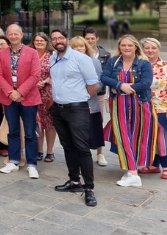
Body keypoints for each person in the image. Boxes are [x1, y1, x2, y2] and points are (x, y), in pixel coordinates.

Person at [49, 30, 99, 206]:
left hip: (77, 109)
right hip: (58, 109)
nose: (57, 41)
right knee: (68, 147)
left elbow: (93, 85)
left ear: (67, 40)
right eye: (54, 39)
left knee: (82, 148)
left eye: (60, 38)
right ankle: (74, 181)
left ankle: (89, 188)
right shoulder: (52, 58)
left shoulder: (81, 59)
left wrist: (79, 98)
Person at [100, 35, 154, 187]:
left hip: (140, 104)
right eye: (123, 45)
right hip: (118, 104)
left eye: (130, 45)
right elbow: (104, 77)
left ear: (136, 46)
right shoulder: (114, 61)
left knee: (136, 136)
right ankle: (133, 172)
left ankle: (133, 171)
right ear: (119, 47)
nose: (126, 48)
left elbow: (146, 83)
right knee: (123, 135)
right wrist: (119, 85)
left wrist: (128, 87)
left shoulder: (143, 63)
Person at [0, 24, 42, 179]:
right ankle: (13, 161)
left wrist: (20, 92)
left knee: (30, 133)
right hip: (9, 99)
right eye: (10, 34)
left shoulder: (32, 52)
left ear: (22, 35)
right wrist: (11, 92)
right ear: (7, 36)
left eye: (16, 34)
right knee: (13, 131)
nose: (13, 36)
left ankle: (32, 164)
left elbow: (35, 75)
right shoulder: (1, 54)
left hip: (28, 97)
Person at [138, 38, 167, 180]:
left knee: (161, 137)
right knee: (150, 137)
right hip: (142, 108)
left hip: (161, 108)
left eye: (153, 48)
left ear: (159, 49)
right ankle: (153, 164)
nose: (150, 51)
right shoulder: (137, 65)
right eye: (147, 48)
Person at [68, 37, 105, 170]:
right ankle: (80, 156)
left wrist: (89, 92)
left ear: (86, 47)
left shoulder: (94, 62)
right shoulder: (67, 62)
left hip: (90, 101)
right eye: (75, 47)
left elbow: (100, 81)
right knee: (77, 132)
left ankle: (99, 154)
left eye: (81, 46)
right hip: (73, 103)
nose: (78, 49)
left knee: (94, 130)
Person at [83, 27, 111, 166]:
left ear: (97, 39)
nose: (90, 41)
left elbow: (105, 75)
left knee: (97, 122)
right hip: (82, 95)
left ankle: (100, 153)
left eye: (92, 38)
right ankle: (84, 151)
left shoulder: (104, 54)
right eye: (87, 39)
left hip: (98, 94)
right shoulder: (80, 53)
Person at [31, 32, 56, 163]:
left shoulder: (52, 56)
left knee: (50, 124)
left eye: (42, 41)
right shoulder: (30, 54)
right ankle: (39, 150)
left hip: (48, 93)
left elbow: (57, 73)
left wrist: (45, 81)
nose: (39, 43)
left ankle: (50, 151)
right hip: (33, 93)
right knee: (38, 122)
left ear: (47, 42)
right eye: (37, 41)